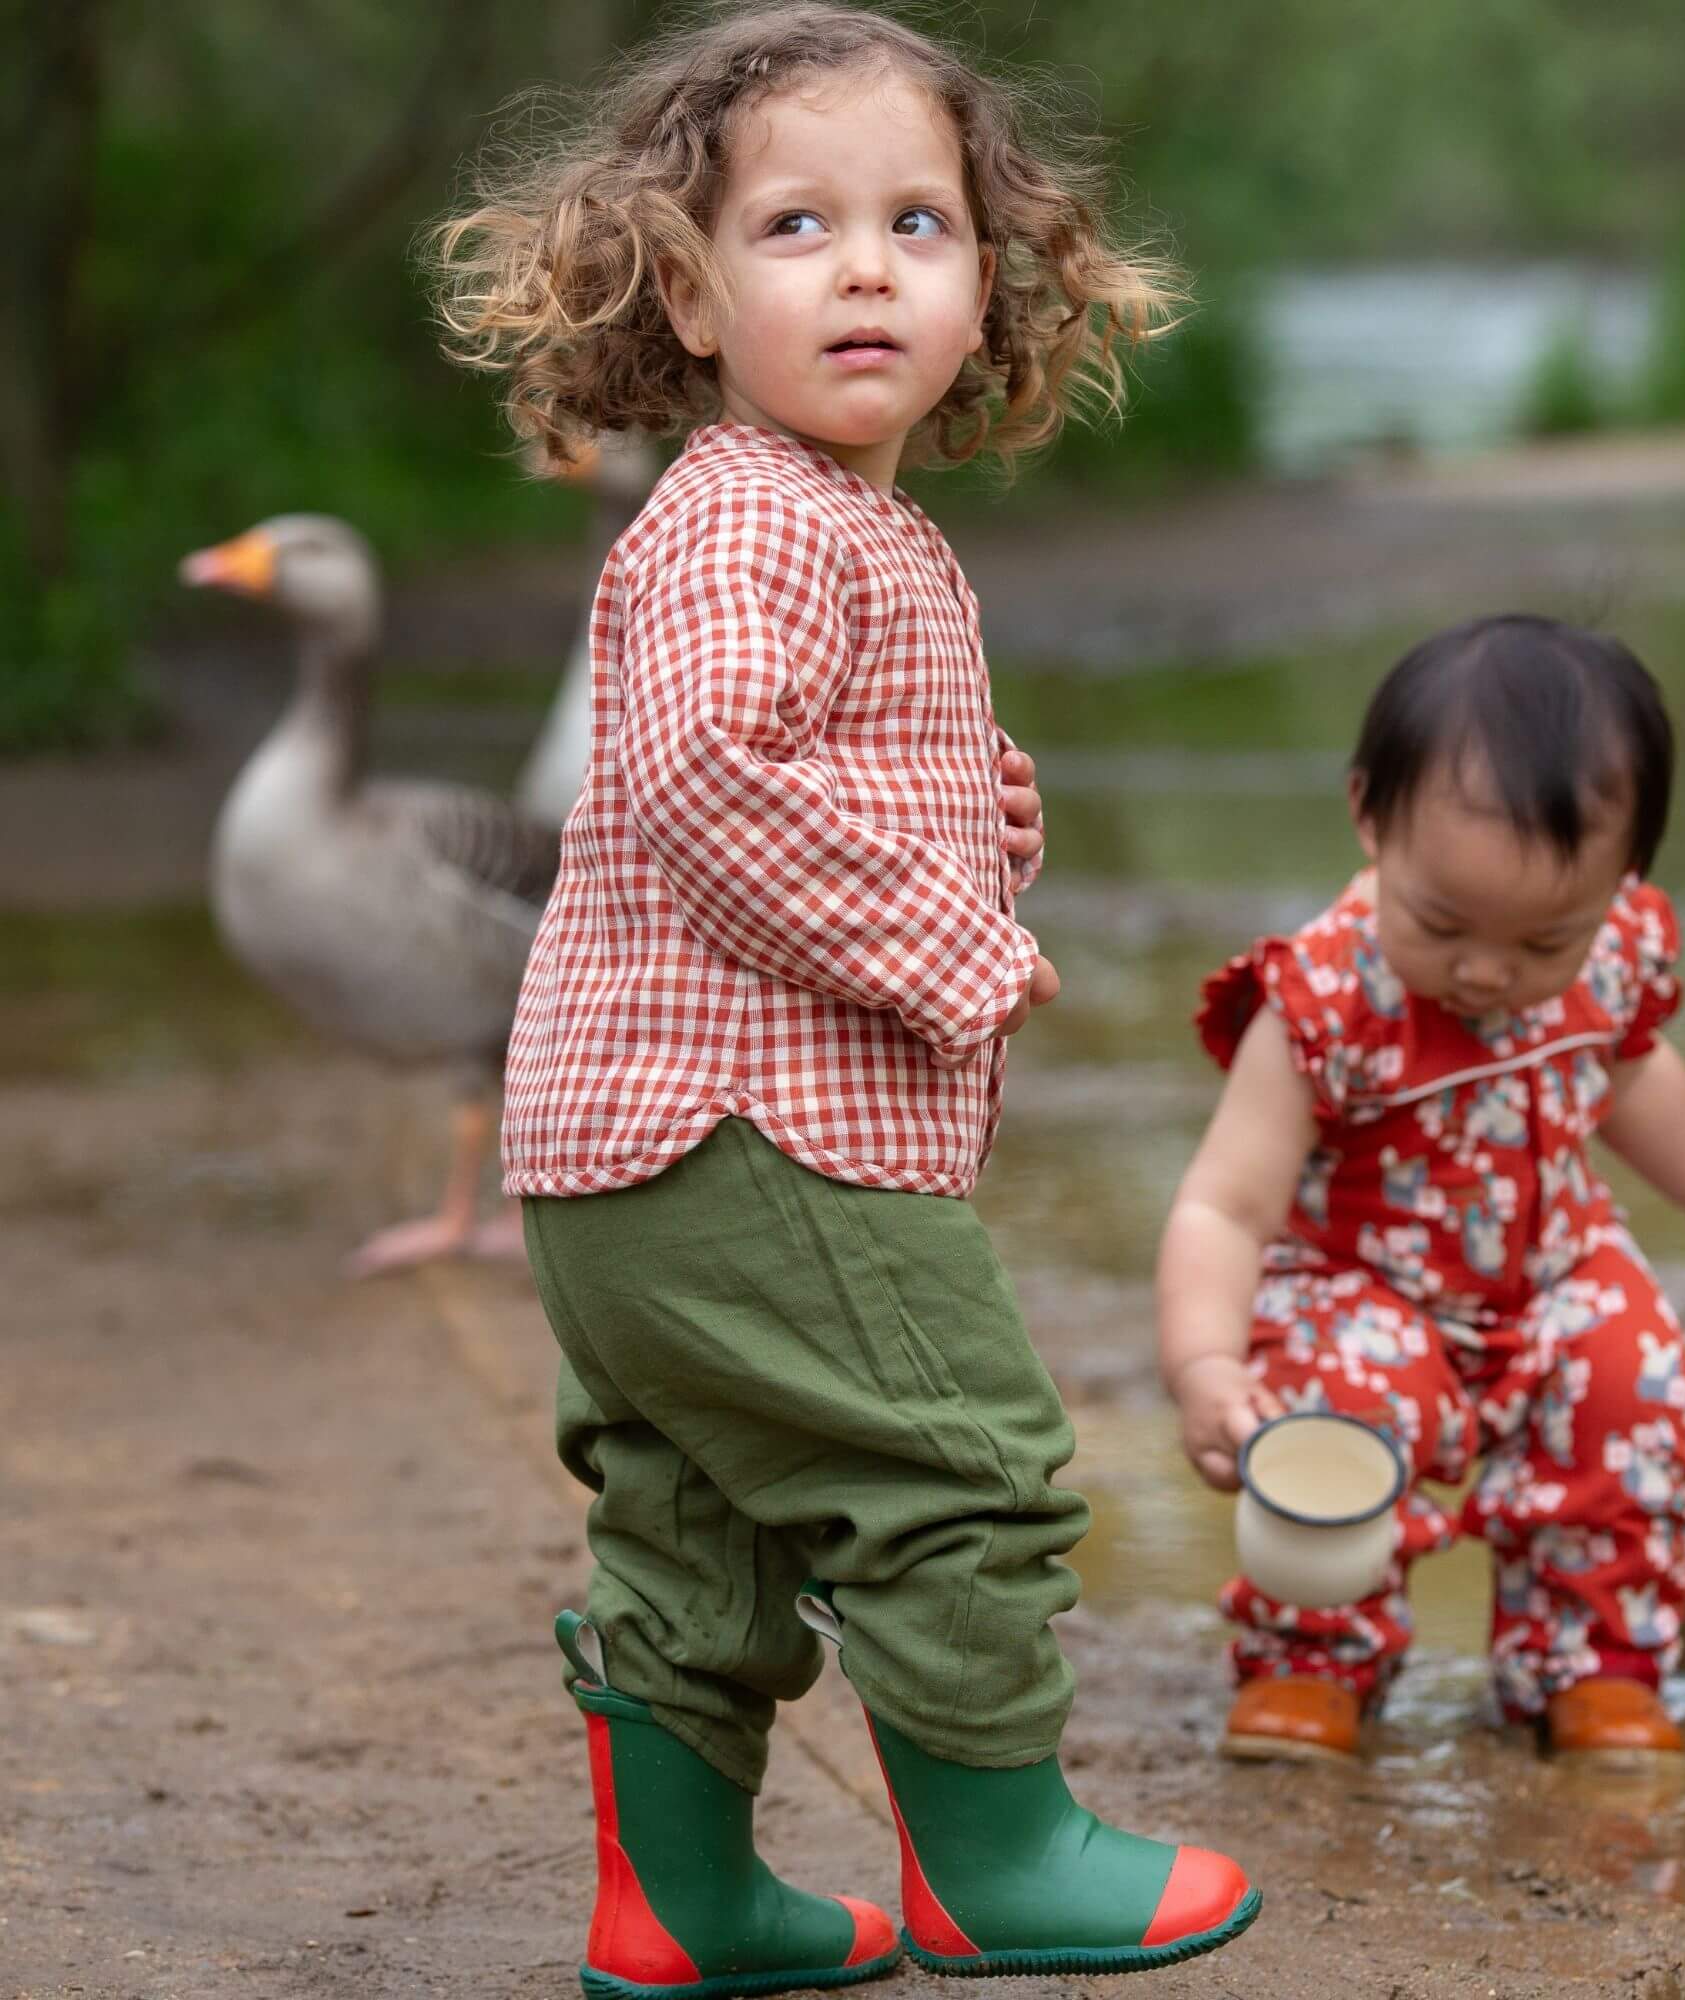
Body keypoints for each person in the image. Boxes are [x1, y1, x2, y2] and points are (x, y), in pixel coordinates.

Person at [433, 6, 1258, 1992]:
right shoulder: (756, 517)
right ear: (688, 293)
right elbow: (713, 777)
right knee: (957, 1457)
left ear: (992, 284)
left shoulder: (818, 518)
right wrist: (951, 943)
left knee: (700, 1513)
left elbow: (771, 762)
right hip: (755, 1133)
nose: (867, 267)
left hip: (620, 1159)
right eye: (796, 225)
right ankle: (998, 1856)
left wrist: (973, 809)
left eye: (917, 222)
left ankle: (680, 1900)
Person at [1157, 614, 1685, 1764]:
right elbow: (1224, 1203)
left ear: (1622, 877)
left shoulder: (1609, 955)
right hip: (1359, 1283)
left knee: (1628, 1379)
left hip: (1550, 1266)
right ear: (1368, 814)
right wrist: (1204, 1361)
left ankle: (1590, 1665)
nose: (1489, 971)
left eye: (1543, 941)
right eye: (1440, 924)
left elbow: (1633, 1076)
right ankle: (1314, 1656)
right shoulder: (1325, 996)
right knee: (1333, 1408)